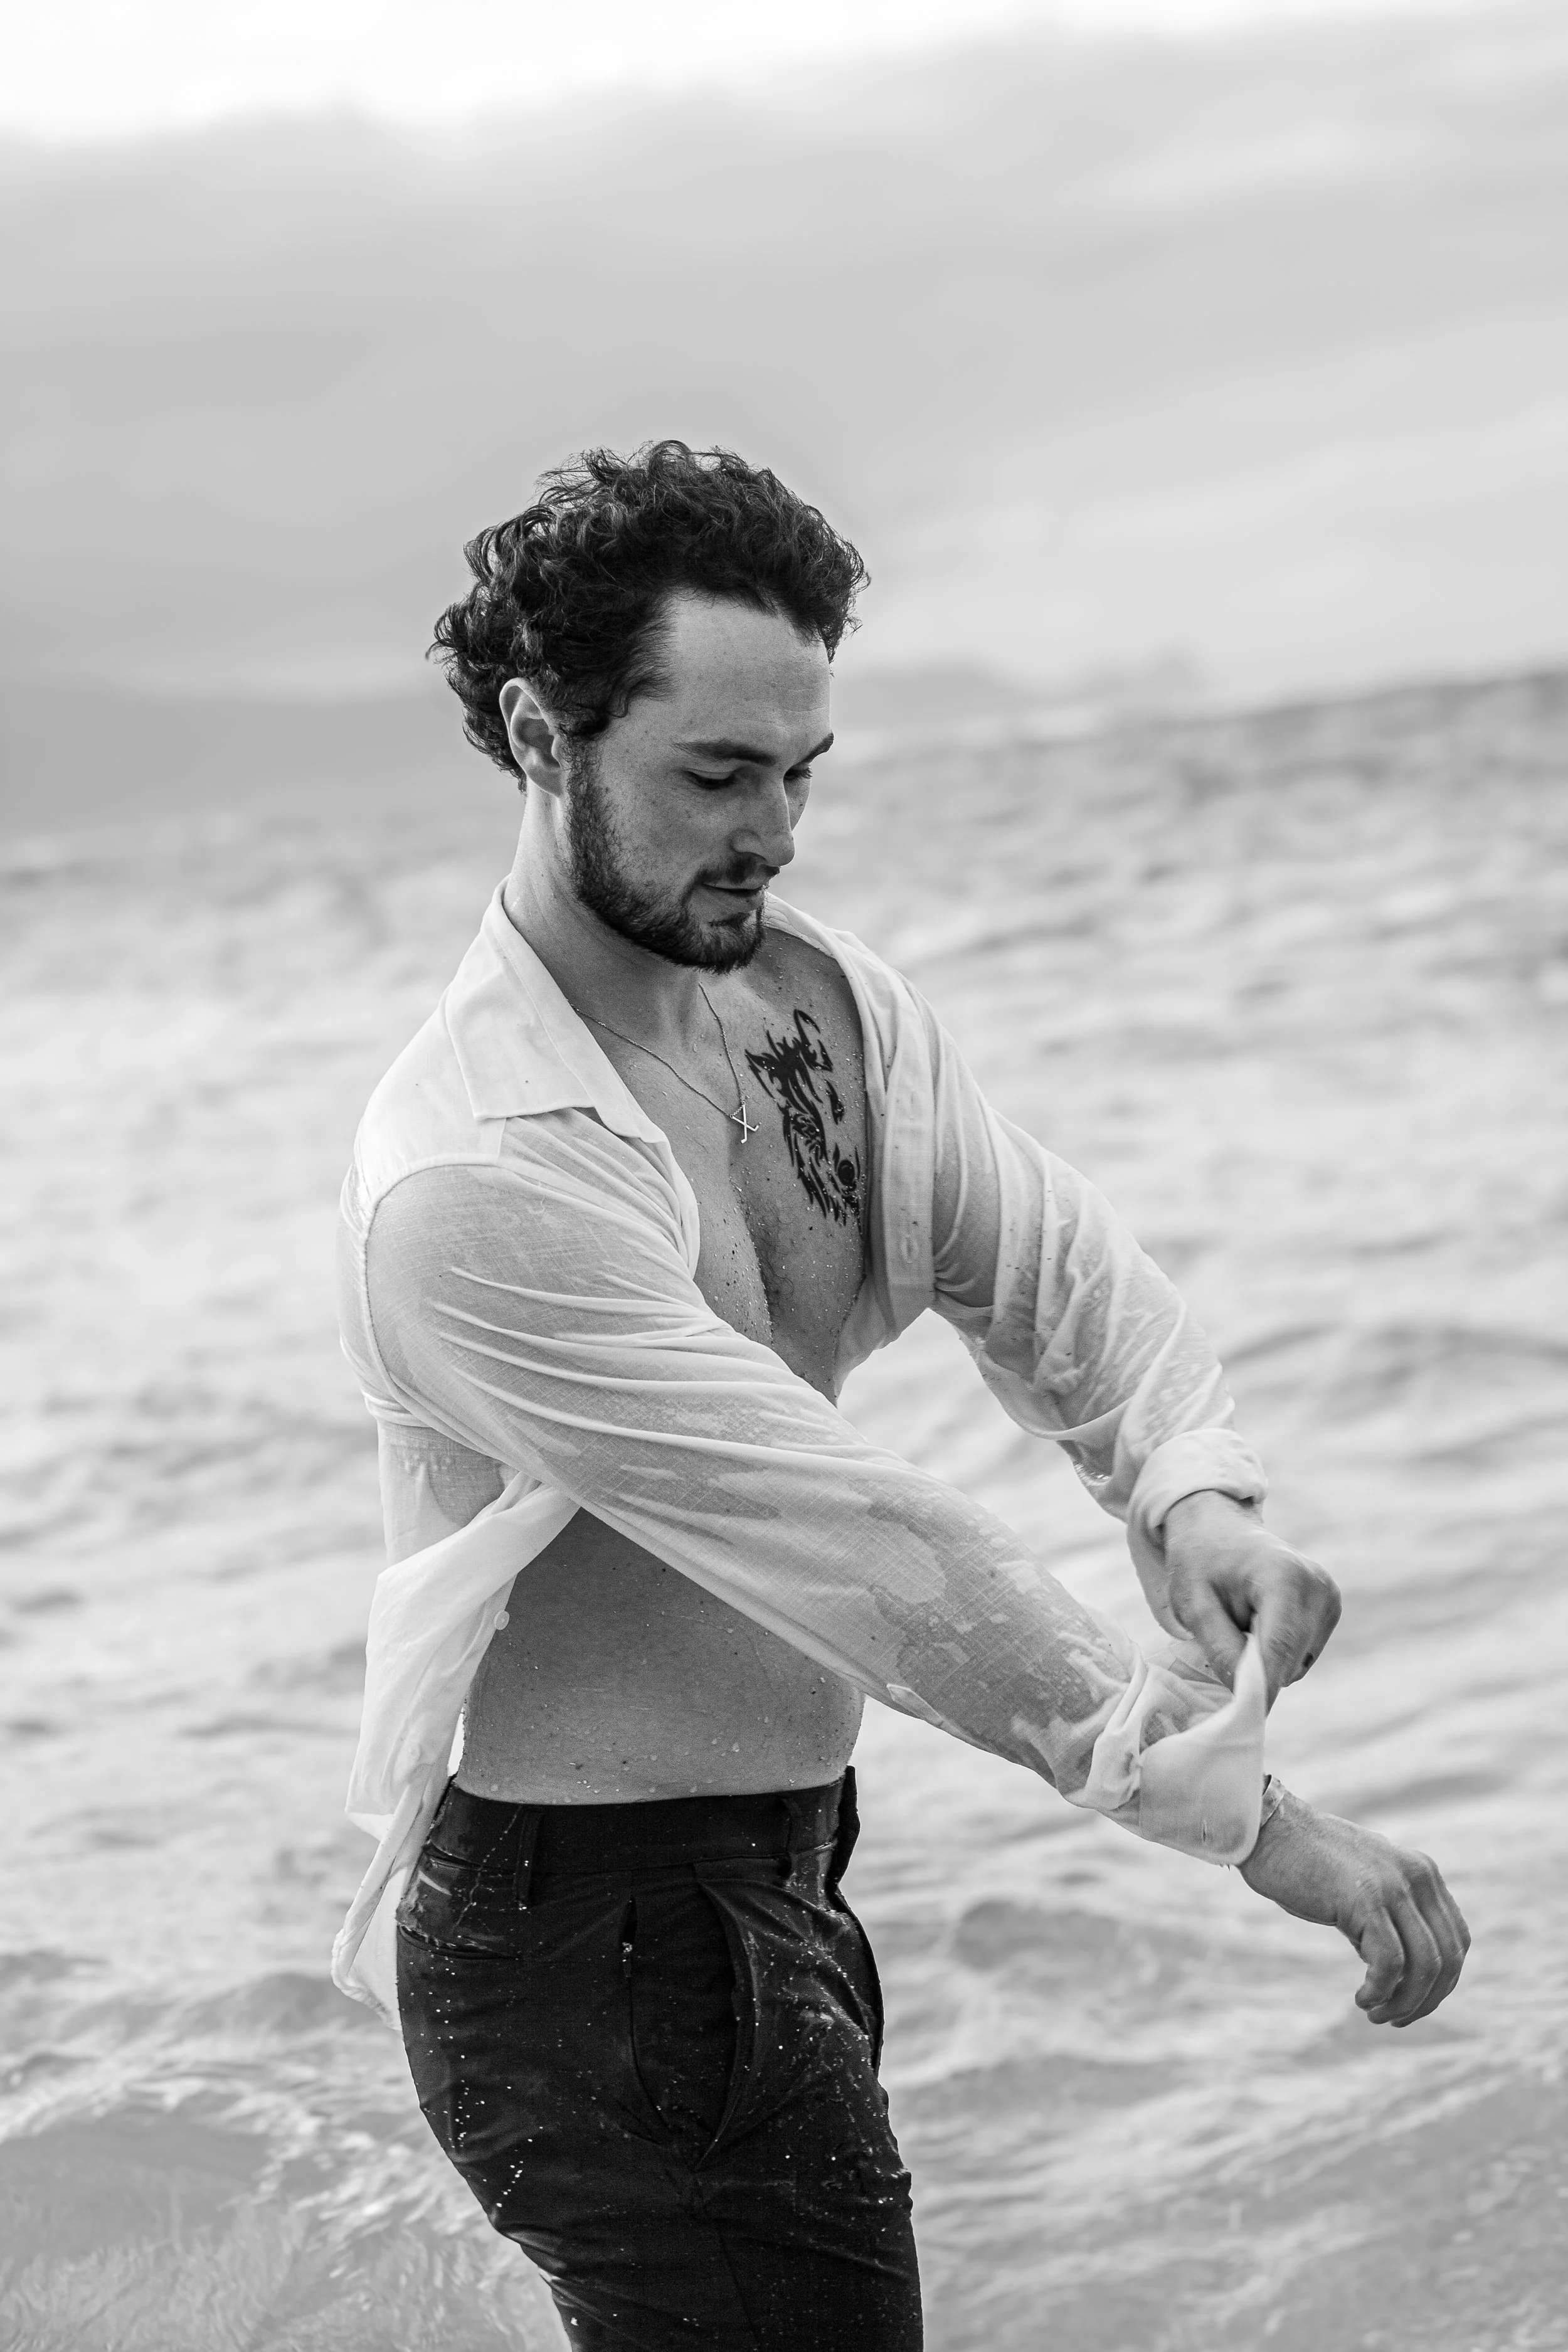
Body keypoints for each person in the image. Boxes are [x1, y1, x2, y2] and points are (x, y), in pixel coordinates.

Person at [332, 441, 1468, 2350]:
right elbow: (862, 1546)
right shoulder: (477, 1178)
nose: (772, 831)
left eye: (801, 772)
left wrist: (1187, 1489)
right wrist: (1258, 1821)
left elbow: (1046, 1259)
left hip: (765, 1880)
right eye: (714, 776)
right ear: (539, 735)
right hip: (592, 1947)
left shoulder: (815, 1009)